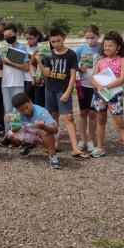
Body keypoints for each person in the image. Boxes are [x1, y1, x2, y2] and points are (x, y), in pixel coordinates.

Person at [90, 31, 124, 164]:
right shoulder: (100, 61)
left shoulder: (122, 60)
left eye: (111, 46)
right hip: (99, 95)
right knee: (101, 121)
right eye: (105, 45)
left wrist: (106, 86)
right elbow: (92, 77)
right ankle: (100, 147)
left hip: (114, 96)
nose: (107, 48)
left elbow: (122, 78)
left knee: (120, 125)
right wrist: (98, 86)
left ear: (118, 47)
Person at [36, 28, 86, 159]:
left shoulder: (71, 54)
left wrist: (68, 92)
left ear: (63, 38)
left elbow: (72, 75)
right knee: (52, 116)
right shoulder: (48, 54)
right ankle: (54, 142)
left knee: (68, 117)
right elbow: (46, 74)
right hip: (50, 88)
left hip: (63, 89)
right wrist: (40, 62)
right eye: (53, 42)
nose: (56, 44)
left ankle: (75, 148)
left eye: (58, 40)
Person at [4, 93, 62, 169]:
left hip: (48, 133)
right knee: (10, 134)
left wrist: (44, 126)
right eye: (22, 110)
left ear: (30, 101)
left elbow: (55, 129)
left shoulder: (41, 112)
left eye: (27, 107)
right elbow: (16, 131)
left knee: (45, 132)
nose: (26, 111)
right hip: (32, 132)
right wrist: (12, 123)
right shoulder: (16, 111)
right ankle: (28, 145)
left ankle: (53, 157)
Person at [0, 23, 30, 146]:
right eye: (5, 35)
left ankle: (17, 136)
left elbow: (26, 67)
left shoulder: (21, 48)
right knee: (7, 111)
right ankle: (8, 135)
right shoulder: (4, 48)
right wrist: (2, 62)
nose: (8, 37)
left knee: (16, 110)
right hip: (5, 82)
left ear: (15, 34)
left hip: (17, 82)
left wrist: (10, 62)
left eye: (10, 35)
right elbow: (2, 66)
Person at [74, 25, 102, 152]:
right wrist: (80, 69)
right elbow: (74, 67)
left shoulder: (102, 48)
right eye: (87, 38)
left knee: (93, 113)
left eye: (92, 37)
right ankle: (82, 139)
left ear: (98, 36)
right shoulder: (80, 49)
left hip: (98, 85)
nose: (90, 40)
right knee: (83, 112)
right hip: (83, 85)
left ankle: (90, 139)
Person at [23, 26, 46, 107]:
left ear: (37, 36)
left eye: (31, 38)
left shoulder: (42, 48)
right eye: (27, 39)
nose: (29, 41)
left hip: (36, 79)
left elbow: (43, 63)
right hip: (27, 77)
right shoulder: (29, 48)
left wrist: (32, 58)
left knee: (36, 101)